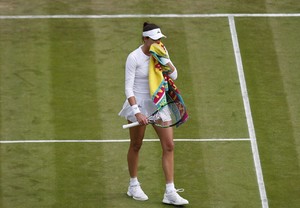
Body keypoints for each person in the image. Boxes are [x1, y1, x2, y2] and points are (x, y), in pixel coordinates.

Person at [118, 22, 189, 206]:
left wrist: (164, 60)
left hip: (159, 103)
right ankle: (133, 185)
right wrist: (137, 112)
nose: (158, 42)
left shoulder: (161, 52)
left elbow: (174, 76)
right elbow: (128, 88)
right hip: (139, 105)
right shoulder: (133, 57)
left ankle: (170, 192)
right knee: (136, 144)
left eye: (159, 39)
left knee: (169, 145)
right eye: (155, 39)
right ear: (145, 39)